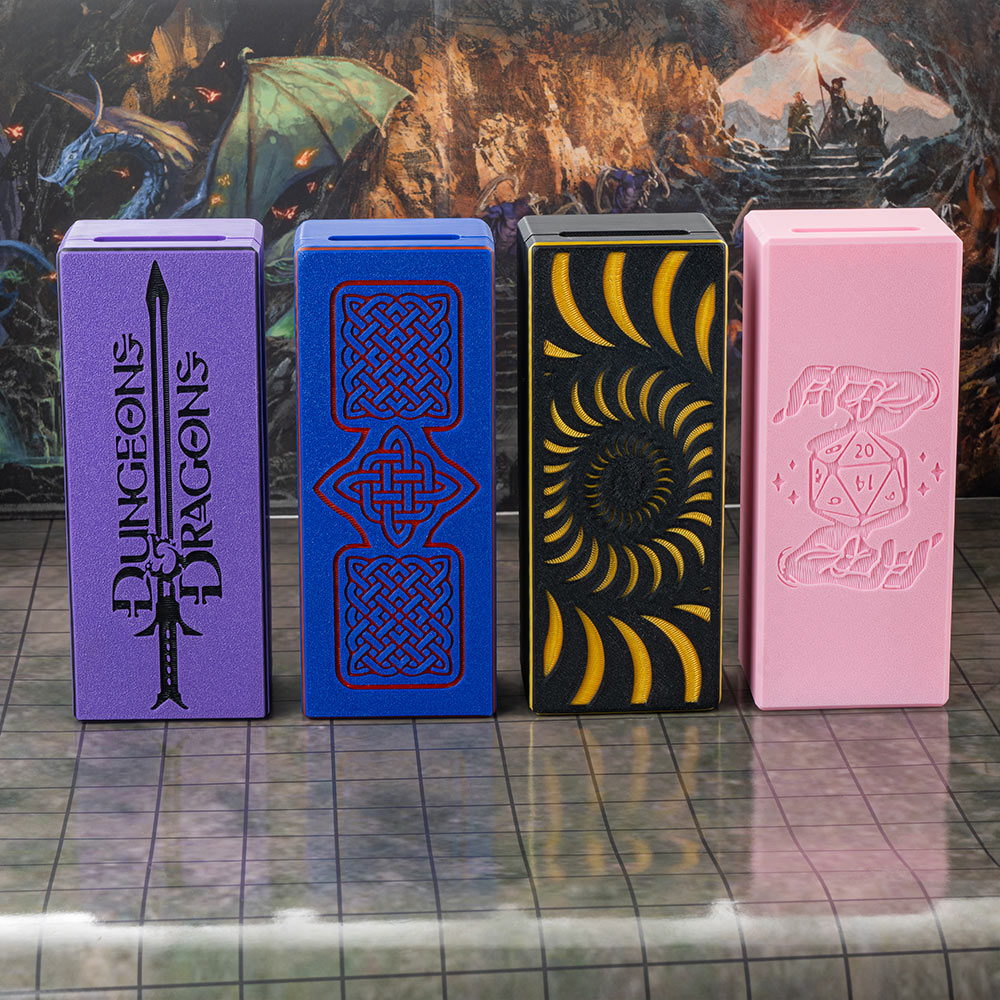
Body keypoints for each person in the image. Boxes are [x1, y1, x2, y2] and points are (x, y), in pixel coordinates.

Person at [815, 58, 856, 145]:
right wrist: (817, 68)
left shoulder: (842, 92)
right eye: (834, 83)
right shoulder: (831, 90)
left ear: (840, 84)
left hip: (839, 112)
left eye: (837, 83)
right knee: (827, 124)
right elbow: (822, 82)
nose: (835, 85)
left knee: (840, 124)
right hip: (832, 111)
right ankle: (822, 141)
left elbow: (846, 102)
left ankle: (841, 140)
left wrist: (850, 110)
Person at [855, 95, 889, 162]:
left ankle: (888, 158)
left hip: (874, 131)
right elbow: (859, 122)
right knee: (860, 146)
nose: (868, 103)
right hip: (865, 132)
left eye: (870, 102)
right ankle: (860, 162)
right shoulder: (862, 111)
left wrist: (884, 123)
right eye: (867, 102)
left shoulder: (875, 109)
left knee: (880, 144)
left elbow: (880, 118)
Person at [787, 91, 819, 160]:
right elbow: (790, 117)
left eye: (799, 96)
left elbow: (811, 113)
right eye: (796, 97)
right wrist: (789, 126)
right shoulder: (793, 106)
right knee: (793, 141)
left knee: (806, 139)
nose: (798, 98)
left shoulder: (806, 105)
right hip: (795, 127)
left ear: (802, 96)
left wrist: (805, 115)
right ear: (795, 98)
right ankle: (792, 156)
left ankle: (806, 156)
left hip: (804, 126)